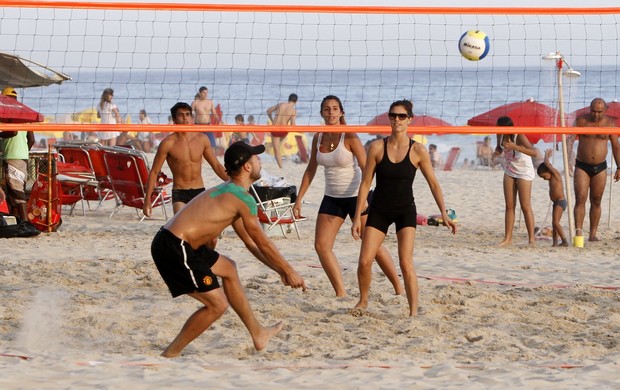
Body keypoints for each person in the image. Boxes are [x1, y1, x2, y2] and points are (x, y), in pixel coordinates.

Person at [151, 141, 306, 357]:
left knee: (229, 269)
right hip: (175, 247)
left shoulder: (230, 191)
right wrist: (290, 271)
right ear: (247, 167)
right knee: (217, 305)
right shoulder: (243, 198)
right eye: (256, 158)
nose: (260, 161)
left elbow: (251, 244)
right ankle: (169, 355)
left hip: (179, 243)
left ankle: (258, 333)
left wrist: (280, 271)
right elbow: (263, 242)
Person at [352, 100, 456, 317]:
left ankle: (412, 311)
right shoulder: (377, 147)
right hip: (379, 208)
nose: (396, 120)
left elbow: (434, 184)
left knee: (406, 263)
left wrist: (444, 213)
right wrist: (356, 217)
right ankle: (363, 301)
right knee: (364, 261)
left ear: (410, 119)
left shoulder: (418, 150)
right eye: (393, 115)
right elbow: (365, 183)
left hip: (404, 210)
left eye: (401, 116)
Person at [293, 95, 403, 298]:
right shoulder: (318, 137)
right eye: (327, 109)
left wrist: (370, 199)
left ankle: (398, 287)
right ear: (321, 113)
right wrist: (299, 198)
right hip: (332, 197)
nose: (331, 112)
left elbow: (366, 168)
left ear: (341, 112)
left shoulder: (350, 136)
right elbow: (310, 170)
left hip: (355, 196)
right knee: (321, 246)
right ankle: (341, 293)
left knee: (373, 246)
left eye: (335, 109)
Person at [143, 102, 228, 218]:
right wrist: (147, 200)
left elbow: (216, 166)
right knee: (181, 229)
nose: (185, 118)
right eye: (181, 115)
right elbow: (154, 172)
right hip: (180, 193)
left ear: (192, 117)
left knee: (207, 233)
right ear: (174, 119)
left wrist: (233, 180)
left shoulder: (202, 139)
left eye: (188, 114)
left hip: (199, 191)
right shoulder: (168, 143)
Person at [569, 98, 620, 242]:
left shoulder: (610, 123)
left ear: (605, 110)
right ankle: (579, 233)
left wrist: (619, 166)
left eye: (599, 112)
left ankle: (593, 234)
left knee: (596, 200)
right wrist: (568, 160)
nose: (596, 115)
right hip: (582, 165)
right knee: (580, 199)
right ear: (589, 108)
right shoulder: (581, 120)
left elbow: (616, 146)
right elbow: (570, 139)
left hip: (600, 167)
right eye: (593, 111)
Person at [492, 116, 538, 246]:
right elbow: (499, 148)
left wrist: (515, 147)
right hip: (510, 169)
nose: (497, 130)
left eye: (498, 128)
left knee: (525, 205)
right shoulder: (499, 134)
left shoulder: (519, 135)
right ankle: (508, 239)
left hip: (524, 170)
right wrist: (496, 153)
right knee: (509, 205)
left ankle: (531, 239)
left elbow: (534, 152)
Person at [0, 87, 36, 222]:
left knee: (16, 191)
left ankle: (25, 222)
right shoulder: (25, 114)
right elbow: (31, 140)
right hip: (22, 157)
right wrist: (23, 151)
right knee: (13, 191)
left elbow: (13, 132)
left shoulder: (9, 113)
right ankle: (18, 221)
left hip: (13, 157)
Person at [537, 149, 569, 247]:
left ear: (549, 171)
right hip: (556, 202)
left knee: (556, 222)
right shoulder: (551, 177)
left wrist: (546, 155)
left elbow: (546, 164)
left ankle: (564, 241)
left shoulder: (555, 174)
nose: (544, 179)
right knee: (554, 223)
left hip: (560, 202)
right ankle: (555, 242)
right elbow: (547, 165)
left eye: (544, 176)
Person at [266, 93, 297, 169]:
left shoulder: (281, 104)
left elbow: (268, 111)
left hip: (275, 128)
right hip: (284, 131)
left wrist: (272, 120)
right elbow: (293, 124)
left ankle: (281, 168)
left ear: (288, 99)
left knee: (277, 151)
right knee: (278, 146)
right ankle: (279, 144)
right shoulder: (293, 111)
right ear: (296, 102)